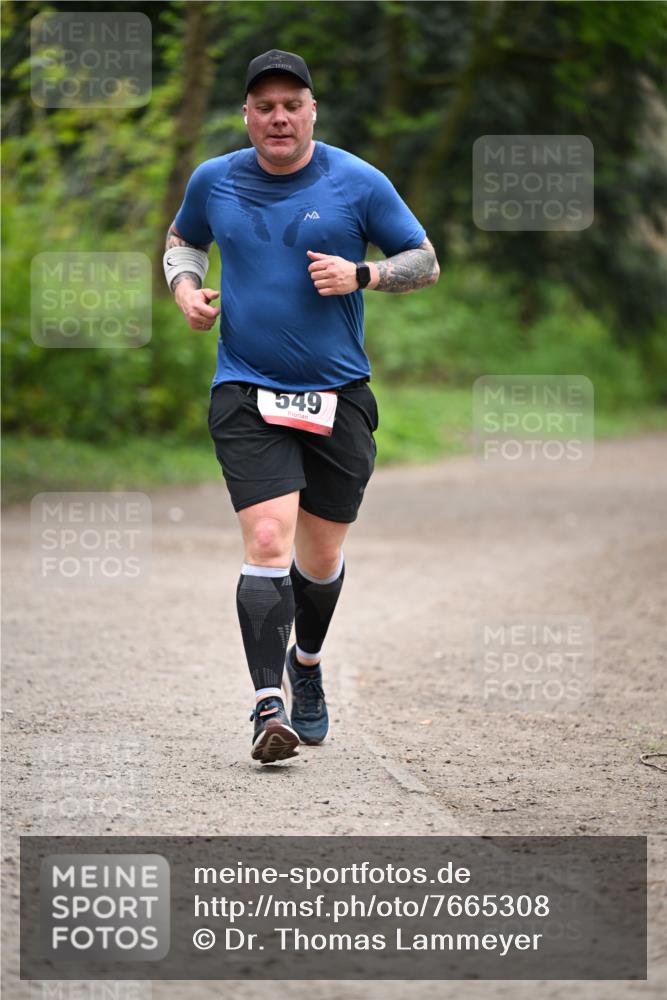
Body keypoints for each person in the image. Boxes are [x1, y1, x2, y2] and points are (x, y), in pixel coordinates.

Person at [164, 49, 439, 764]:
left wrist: (363, 273)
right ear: (246, 115)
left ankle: (306, 664)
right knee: (266, 540)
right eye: (265, 107)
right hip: (245, 388)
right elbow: (183, 240)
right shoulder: (214, 179)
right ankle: (267, 706)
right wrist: (186, 289)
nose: (279, 117)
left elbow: (425, 260)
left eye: (292, 105)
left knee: (319, 559)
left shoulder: (357, 181)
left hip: (337, 396)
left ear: (312, 110)